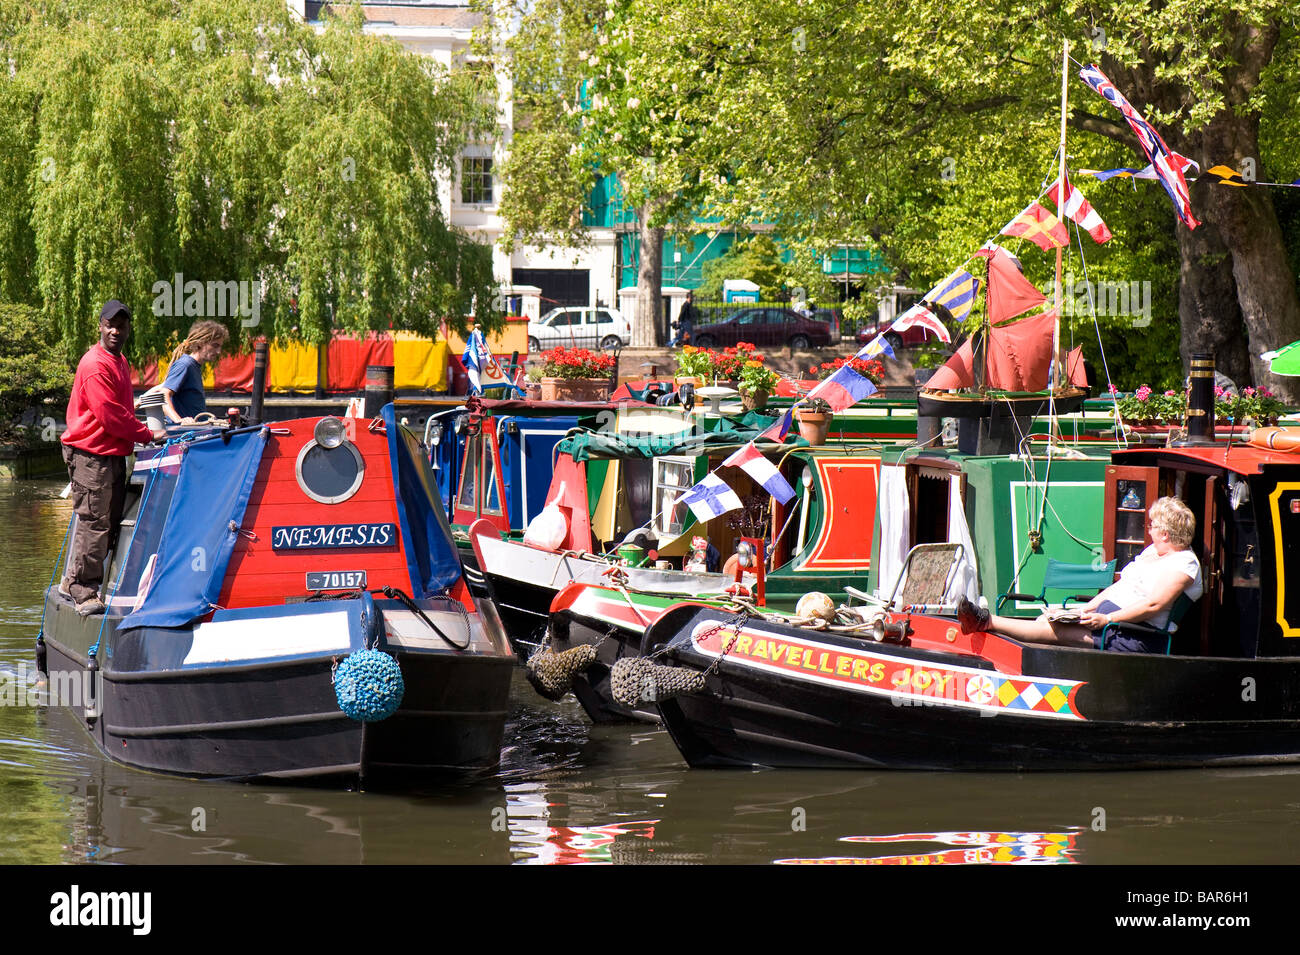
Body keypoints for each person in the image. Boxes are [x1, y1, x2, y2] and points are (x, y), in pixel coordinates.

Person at [957, 496, 1202, 653]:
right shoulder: (1152, 553)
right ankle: (985, 626)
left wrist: (1108, 619)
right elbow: (1120, 587)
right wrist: (1084, 610)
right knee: (1047, 620)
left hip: (1136, 633)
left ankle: (986, 621)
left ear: (1166, 534)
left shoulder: (1184, 564)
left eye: (1153, 526)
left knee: (1056, 631)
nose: (1149, 530)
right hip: (1116, 621)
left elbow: (1153, 605)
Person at [60, 301, 166, 616]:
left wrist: (135, 436)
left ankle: (74, 582)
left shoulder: (118, 360)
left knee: (108, 522)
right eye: (110, 325)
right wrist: (146, 434)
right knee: (95, 522)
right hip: (91, 454)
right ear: (101, 326)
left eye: (122, 326)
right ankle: (83, 592)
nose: (116, 331)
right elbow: (110, 415)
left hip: (111, 453)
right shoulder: (95, 364)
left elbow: (120, 413)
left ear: (128, 329)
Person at [159, 320, 228, 423]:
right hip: (184, 435)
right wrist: (179, 421)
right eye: (215, 345)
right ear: (200, 343)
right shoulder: (185, 365)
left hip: (196, 431)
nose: (218, 352)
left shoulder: (194, 366)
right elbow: (164, 395)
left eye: (220, 346)